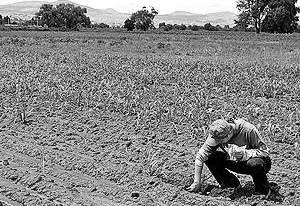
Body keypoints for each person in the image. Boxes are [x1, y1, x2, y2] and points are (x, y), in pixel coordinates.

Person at [187, 118, 271, 197]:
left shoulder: (248, 130)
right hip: (235, 161)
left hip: (257, 163)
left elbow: (265, 152)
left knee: (254, 164)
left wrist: (245, 154)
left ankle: (262, 191)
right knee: (210, 157)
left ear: (229, 133)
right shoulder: (216, 132)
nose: (218, 143)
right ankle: (231, 185)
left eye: (220, 141)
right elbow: (201, 156)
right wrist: (197, 182)